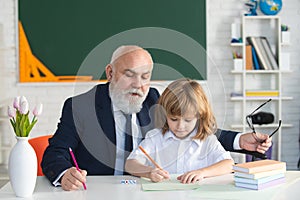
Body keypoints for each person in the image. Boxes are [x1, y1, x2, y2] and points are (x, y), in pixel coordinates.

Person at [41, 45, 272, 191]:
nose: (138, 85)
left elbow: (190, 128)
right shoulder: (80, 106)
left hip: (149, 190)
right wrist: (64, 175)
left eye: (145, 76)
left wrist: (238, 140)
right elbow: (55, 154)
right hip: (101, 192)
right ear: (110, 73)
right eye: (129, 75)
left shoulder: (153, 98)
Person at [125, 78, 234, 183]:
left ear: (200, 116)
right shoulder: (155, 137)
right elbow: (130, 164)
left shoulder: (207, 140)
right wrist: (149, 172)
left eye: (188, 120)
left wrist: (202, 172)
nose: (180, 126)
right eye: (174, 119)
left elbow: (229, 164)